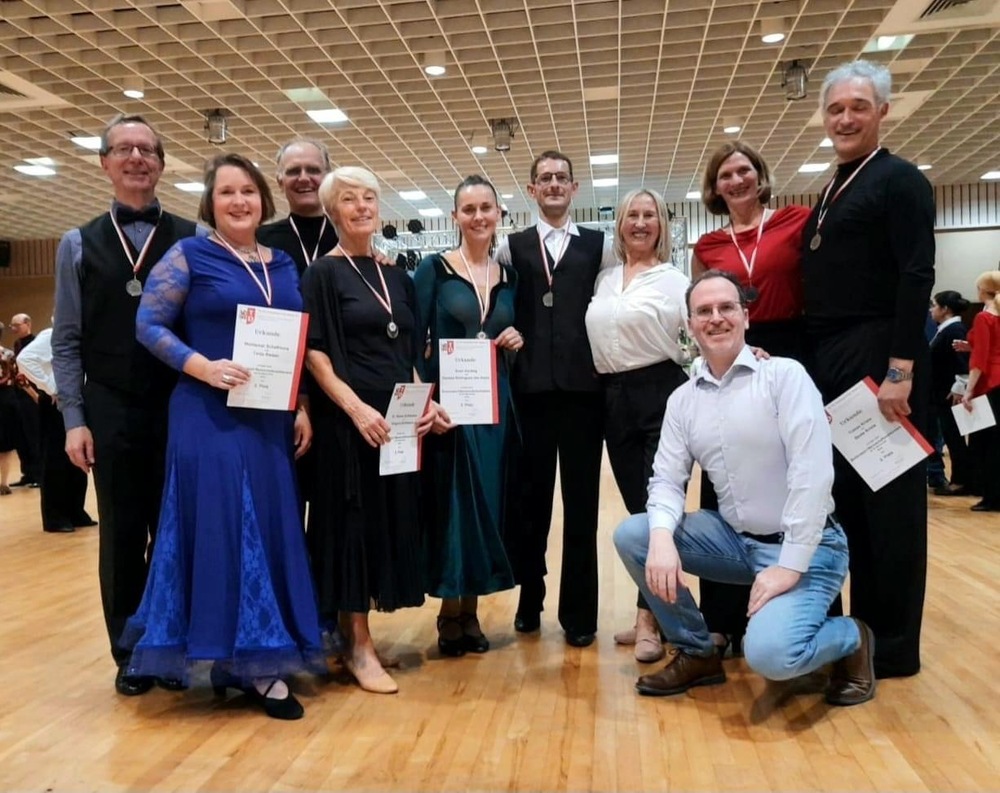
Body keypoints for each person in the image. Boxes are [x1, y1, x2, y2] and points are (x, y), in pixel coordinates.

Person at [121, 153, 324, 720]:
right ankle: (253, 666)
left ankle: (247, 659)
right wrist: (201, 366)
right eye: (227, 193)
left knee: (269, 522)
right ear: (211, 203)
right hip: (206, 413)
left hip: (268, 416)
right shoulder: (188, 254)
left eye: (249, 192)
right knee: (228, 526)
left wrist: (301, 403)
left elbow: (296, 341)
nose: (239, 201)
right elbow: (148, 326)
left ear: (264, 200)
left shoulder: (282, 262)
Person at [613, 270, 875, 707]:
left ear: (746, 317)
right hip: (735, 542)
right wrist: (661, 539)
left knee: (772, 657)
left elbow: (813, 474)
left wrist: (789, 566)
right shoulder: (683, 399)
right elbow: (665, 479)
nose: (716, 319)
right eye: (703, 311)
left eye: (726, 308)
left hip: (809, 547)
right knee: (635, 535)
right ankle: (697, 652)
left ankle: (853, 635)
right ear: (690, 325)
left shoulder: (785, 377)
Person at [52, 113, 203, 696]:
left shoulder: (193, 236)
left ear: (162, 164)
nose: (137, 158)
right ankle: (130, 653)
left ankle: (178, 641)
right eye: (124, 149)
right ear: (105, 163)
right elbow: (66, 340)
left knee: (178, 529)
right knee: (120, 535)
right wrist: (73, 420)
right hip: (110, 407)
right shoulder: (76, 244)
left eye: (148, 150)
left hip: (182, 403)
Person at [801, 59, 935, 679]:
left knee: (892, 504)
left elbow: (915, 275)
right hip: (834, 359)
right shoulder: (833, 187)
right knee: (848, 501)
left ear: (883, 111)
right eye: (836, 108)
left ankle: (896, 645)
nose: (846, 118)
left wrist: (901, 369)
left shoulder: (900, 180)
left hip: (883, 355)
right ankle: (859, 634)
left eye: (859, 106)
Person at [301, 166, 435, 694]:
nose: (361, 207)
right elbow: (316, 356)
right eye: (349, 200)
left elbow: (410, 349)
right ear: (333, 211)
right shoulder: (321, 275)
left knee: (384, 523)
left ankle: (357, 639)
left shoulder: (395, 274)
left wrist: (425, 402)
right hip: (349, 423)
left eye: (369, 199)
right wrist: (357, 410)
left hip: (397, 422)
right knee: (351, 529)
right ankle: (356, 646)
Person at [690, 141, 816, 656]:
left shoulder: (796, 220)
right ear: (715, 187)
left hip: (788, 348)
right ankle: (721, 620)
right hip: (730, 349)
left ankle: (798, 603)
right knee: (722, 478)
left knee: (789, 477)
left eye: (745, 171)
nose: (737, 180)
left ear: (761, 176)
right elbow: (701, 309)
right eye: (726, 175)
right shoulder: (709, 245)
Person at [496, 150, 614, 647]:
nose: (553, 185)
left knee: (583, 506)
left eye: (561, 178)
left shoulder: (599, 245)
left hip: (585, 394)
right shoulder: (511, 247)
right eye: (544, 179)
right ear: (531, 189)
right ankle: (530, 598)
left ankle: (580, 613)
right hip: (530, 395)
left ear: (574, 187)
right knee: (531, 505)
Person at [413, 175, 522, 657]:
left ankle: (471, 613)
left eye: (487, 208)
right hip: (448, 410)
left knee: (490, 507)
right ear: (455, 216)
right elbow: (412, 341)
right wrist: (422, 399)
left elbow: (506, 341)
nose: (479, 216)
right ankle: (446, 612)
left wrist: (515, 343)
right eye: (469, 208)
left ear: (499, 213)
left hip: (495, 407)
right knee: (455, 507)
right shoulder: (433, 271)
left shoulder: (509, 277)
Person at [584, 188, 689, 663]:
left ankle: (651, 618)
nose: (640, 223)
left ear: (662, 225)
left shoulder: (674, 280)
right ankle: (665, 612)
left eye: (650, 216)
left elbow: (701, 336)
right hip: (611, 398)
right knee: (636, 507)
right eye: (632, 216)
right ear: (620, 225)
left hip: (659, 393)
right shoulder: (604, 278)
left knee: (656, 510)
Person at [14, 323, 96, 532]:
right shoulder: (51, 335)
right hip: (55, 403)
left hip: (74, 402)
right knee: (55, 460)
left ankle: (76, 511)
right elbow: (24, 359)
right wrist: (50, 387)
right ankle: (55, 517)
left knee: (78, 459)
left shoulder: (82, 336)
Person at [257, 139, 339, 276]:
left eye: (313, 170)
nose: (303, 178)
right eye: (293, 171)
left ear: (328, 179)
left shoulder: (347, 239)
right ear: (280, 182)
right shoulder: (259, 241)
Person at [961, 271, 1000, 512]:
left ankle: (992, 496)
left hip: (989, 385)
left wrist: (968, 391)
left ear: (982, 290)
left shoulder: (984, 317)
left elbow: (980, 360)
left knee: (986, 445)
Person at [928, 291, 973, 496]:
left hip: (949, 392)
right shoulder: (945, 329)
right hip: (941, 391)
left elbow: (961, 362)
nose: (931, 310)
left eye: (934, 306)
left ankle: (962, 480)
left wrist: (959, 386)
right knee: (950, 436)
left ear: (945, 309)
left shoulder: (954, 329)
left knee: (954, 438)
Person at [8, 313, 41, 487]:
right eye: (11, 326)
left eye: (16, 326)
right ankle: (27, 472)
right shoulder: (17, 344)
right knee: (21, 436)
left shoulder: (36, 343)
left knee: (34, 435)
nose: (13, 329)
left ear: (27, 323)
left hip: (31, 395)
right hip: (18, 395)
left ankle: (39, 475)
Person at [0, 329, 16, 495]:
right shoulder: (9, 353)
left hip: (4, 400)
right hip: (8, 400)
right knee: (5, 445)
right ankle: (4, 482)